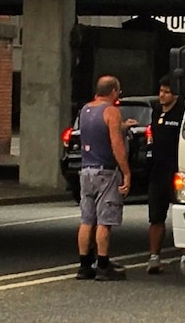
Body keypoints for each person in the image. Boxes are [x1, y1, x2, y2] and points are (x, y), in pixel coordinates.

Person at [76, 75, 135, 281]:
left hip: (86, 170)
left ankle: (84, 265)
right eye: (118, 91)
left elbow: (95, 133)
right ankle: (103, 264)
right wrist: (126, 172)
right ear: (113, 91)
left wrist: (123, 127)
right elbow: (116, 144)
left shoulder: (85, 110)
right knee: (104, 220)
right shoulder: (111, 111)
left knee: (86, 219)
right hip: (106, 171)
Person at [146, 74, 185, 275]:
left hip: (176, 171)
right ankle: (154, 258)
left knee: (182, 214)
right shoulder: (156, 111)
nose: (162, 95)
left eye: (166, 92)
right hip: (157, 172)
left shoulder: (182, 113)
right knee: (156, 217)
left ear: (175, 95)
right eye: (161, 91)